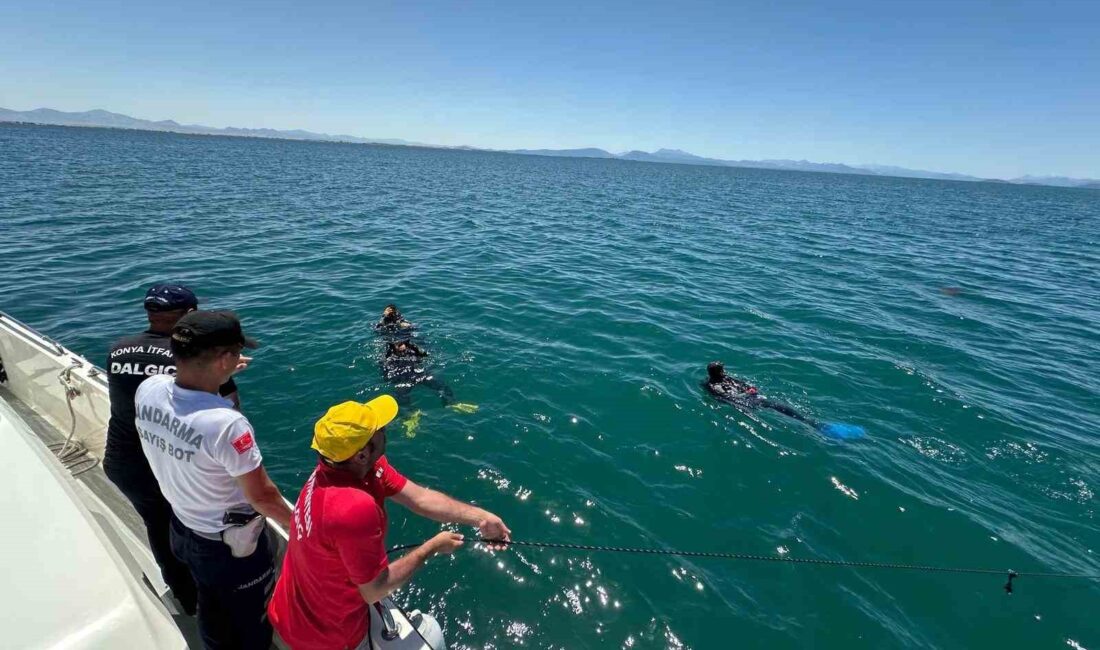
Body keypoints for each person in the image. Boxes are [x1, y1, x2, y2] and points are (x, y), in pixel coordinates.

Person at [268, 396, 511, 650]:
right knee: (432, 634)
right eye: (379, 430)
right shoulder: (352, 507)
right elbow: (374, 590)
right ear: (362, 454)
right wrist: (432, 547)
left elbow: (421, 498)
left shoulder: (339, 468)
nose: (386, 430)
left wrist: (482, 518)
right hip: (324, 638)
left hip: (289, 609)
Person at [135, 310, 293, 649]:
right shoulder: (226, 424)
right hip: (228, 548)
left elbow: (181, 399)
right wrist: (304, 530)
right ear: (225, 359)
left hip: (182, 528)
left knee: (211, 605)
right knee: (251, 621)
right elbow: (263, 497)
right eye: (234, 352)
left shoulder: (148, 389)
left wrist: (215, 375)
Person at [104, 283, 248, 615]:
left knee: (156, 525)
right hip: (169, 462)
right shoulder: (195, 360)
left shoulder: (119, 349)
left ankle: (185, 597)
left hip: (124, 460)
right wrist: (224, 371)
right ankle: (214, 598)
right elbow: (228, 413)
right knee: (195, 530)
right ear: (189, 316)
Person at [703, 361, 816, 424]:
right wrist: (747, 394)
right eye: (722, 369)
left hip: (749, 398)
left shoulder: (726, 378)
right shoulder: (712, 385)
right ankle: (806, 421)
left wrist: (749, 388)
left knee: (774, 405)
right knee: (773, 405)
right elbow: (727, 397)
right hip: (744, 402)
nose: (724, 371)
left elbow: (741, 383)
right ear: (719, 372)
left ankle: (804, 420)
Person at [382, 339, 453, 406]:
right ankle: (410, 414)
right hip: (405, 379)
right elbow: (386, 371)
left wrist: (415, 348)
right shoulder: (390, 356)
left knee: (441, 385)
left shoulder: (412, 351)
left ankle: (451, 403)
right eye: (398, 344)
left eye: (403, 343)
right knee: (400, 396)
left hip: (419, 375)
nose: (402, 346)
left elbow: (425, 355)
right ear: (393, 346)